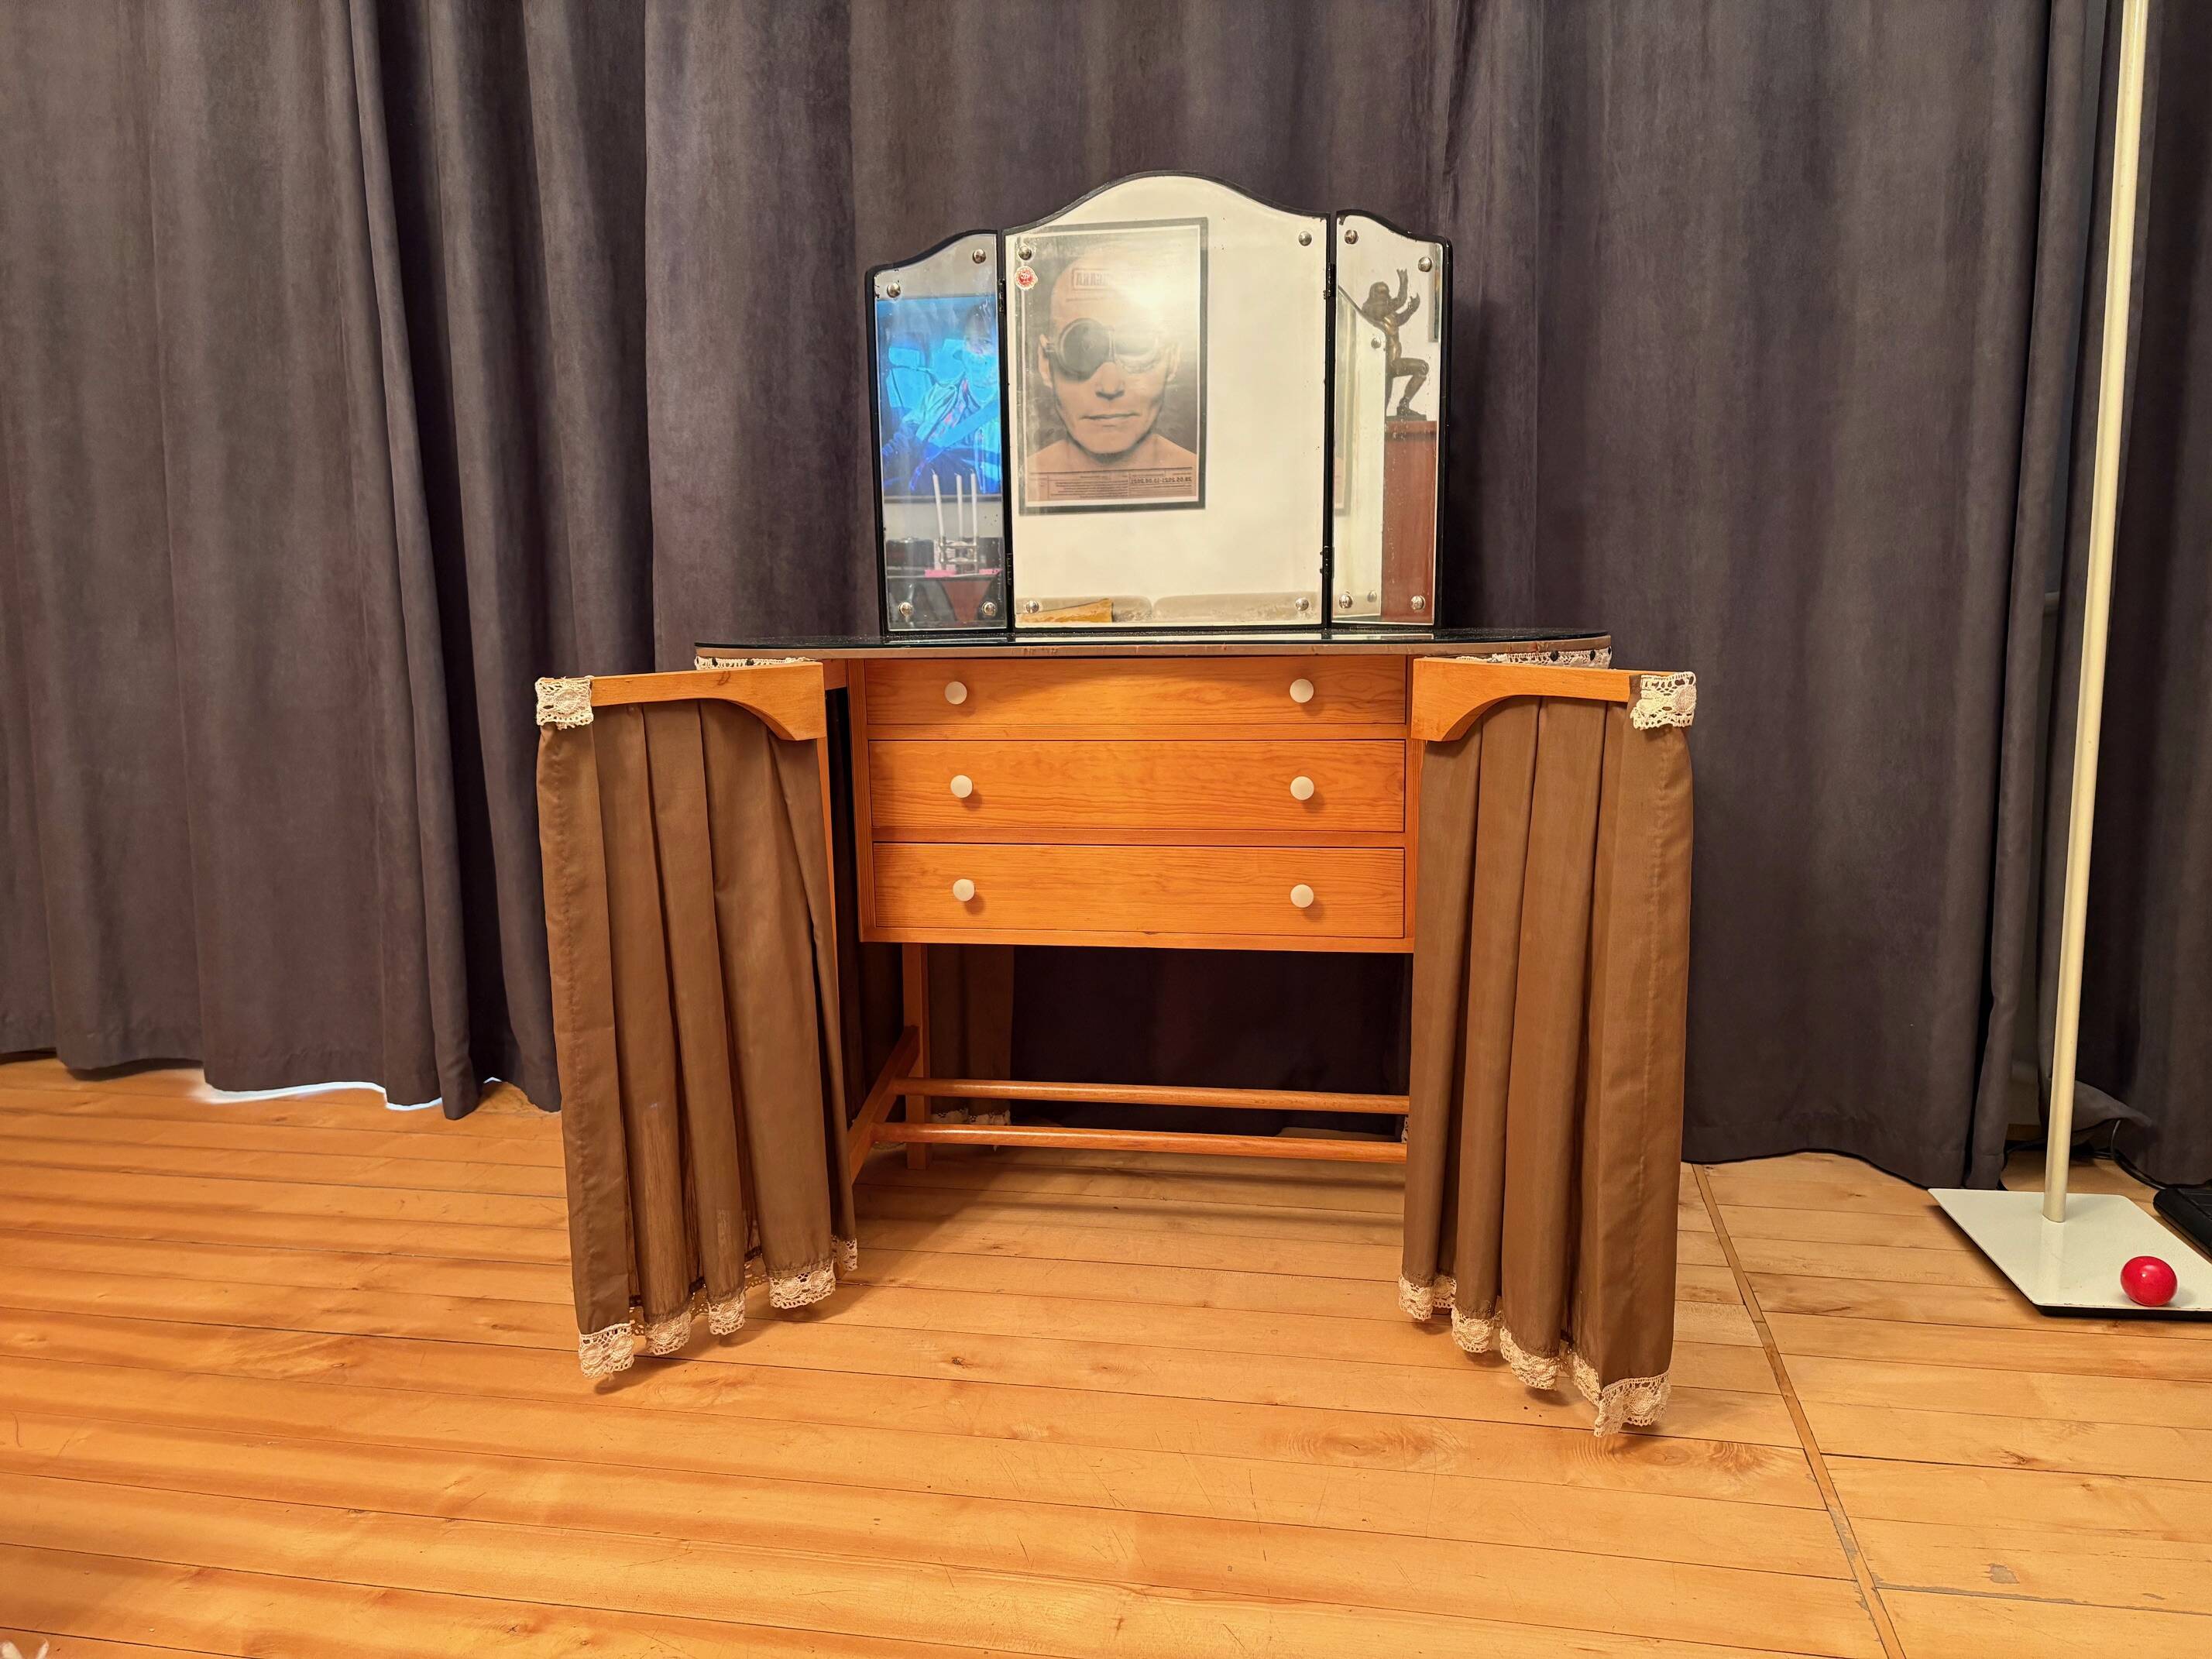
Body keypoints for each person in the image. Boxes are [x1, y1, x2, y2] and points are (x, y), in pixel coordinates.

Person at [1025, 248, 1197, 493]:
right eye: (1081, 349)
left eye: (1136, 346)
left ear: (1172, 359)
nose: (1109, 386)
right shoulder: (1022, 486)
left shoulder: (1208, 484)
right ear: (1045, 363)